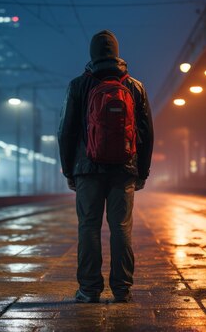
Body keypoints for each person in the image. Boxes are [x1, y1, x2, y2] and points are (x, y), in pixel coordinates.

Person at [58, 30, 154, 303]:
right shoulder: (135, 86)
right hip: (124, 168)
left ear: (92, 54)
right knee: (121, 227)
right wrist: (142, 171)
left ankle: (89, 290)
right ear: (116, 53)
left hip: (86, 169)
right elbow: (147, 133)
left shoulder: (78, 85)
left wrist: (69, 170)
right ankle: (122, 289)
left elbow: (66, 131)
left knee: (88, 227)